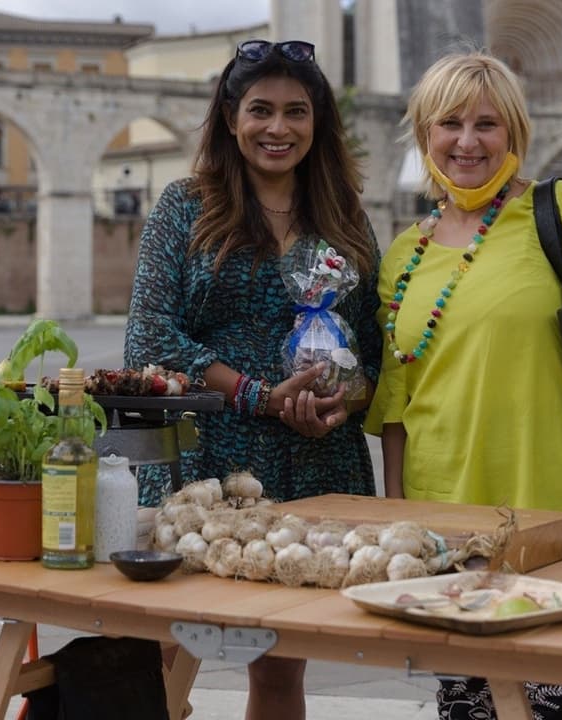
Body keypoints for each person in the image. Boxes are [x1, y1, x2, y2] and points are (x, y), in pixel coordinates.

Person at [366, 50, 562, 720]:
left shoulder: (555, 211)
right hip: (447, 520)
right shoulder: (403, 252)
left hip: (551, 509)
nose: (468, 141)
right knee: (475, 701)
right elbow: (396, 400)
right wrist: (398, 517)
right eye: (450, 123)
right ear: (425, 135)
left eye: (488, 124)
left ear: (514, 133)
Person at [123, 39, 380, 720]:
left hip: (312, 460)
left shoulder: (344, 216)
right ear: (231, 116)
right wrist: (258, 396)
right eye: (261, 110)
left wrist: (339, 402)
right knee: (161, 661)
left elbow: (376, 348)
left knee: (277, 670)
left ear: (318, 123)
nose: (279, 128)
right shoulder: (186, 205)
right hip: (203, 464)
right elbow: (149, 337)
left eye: (297, 112)